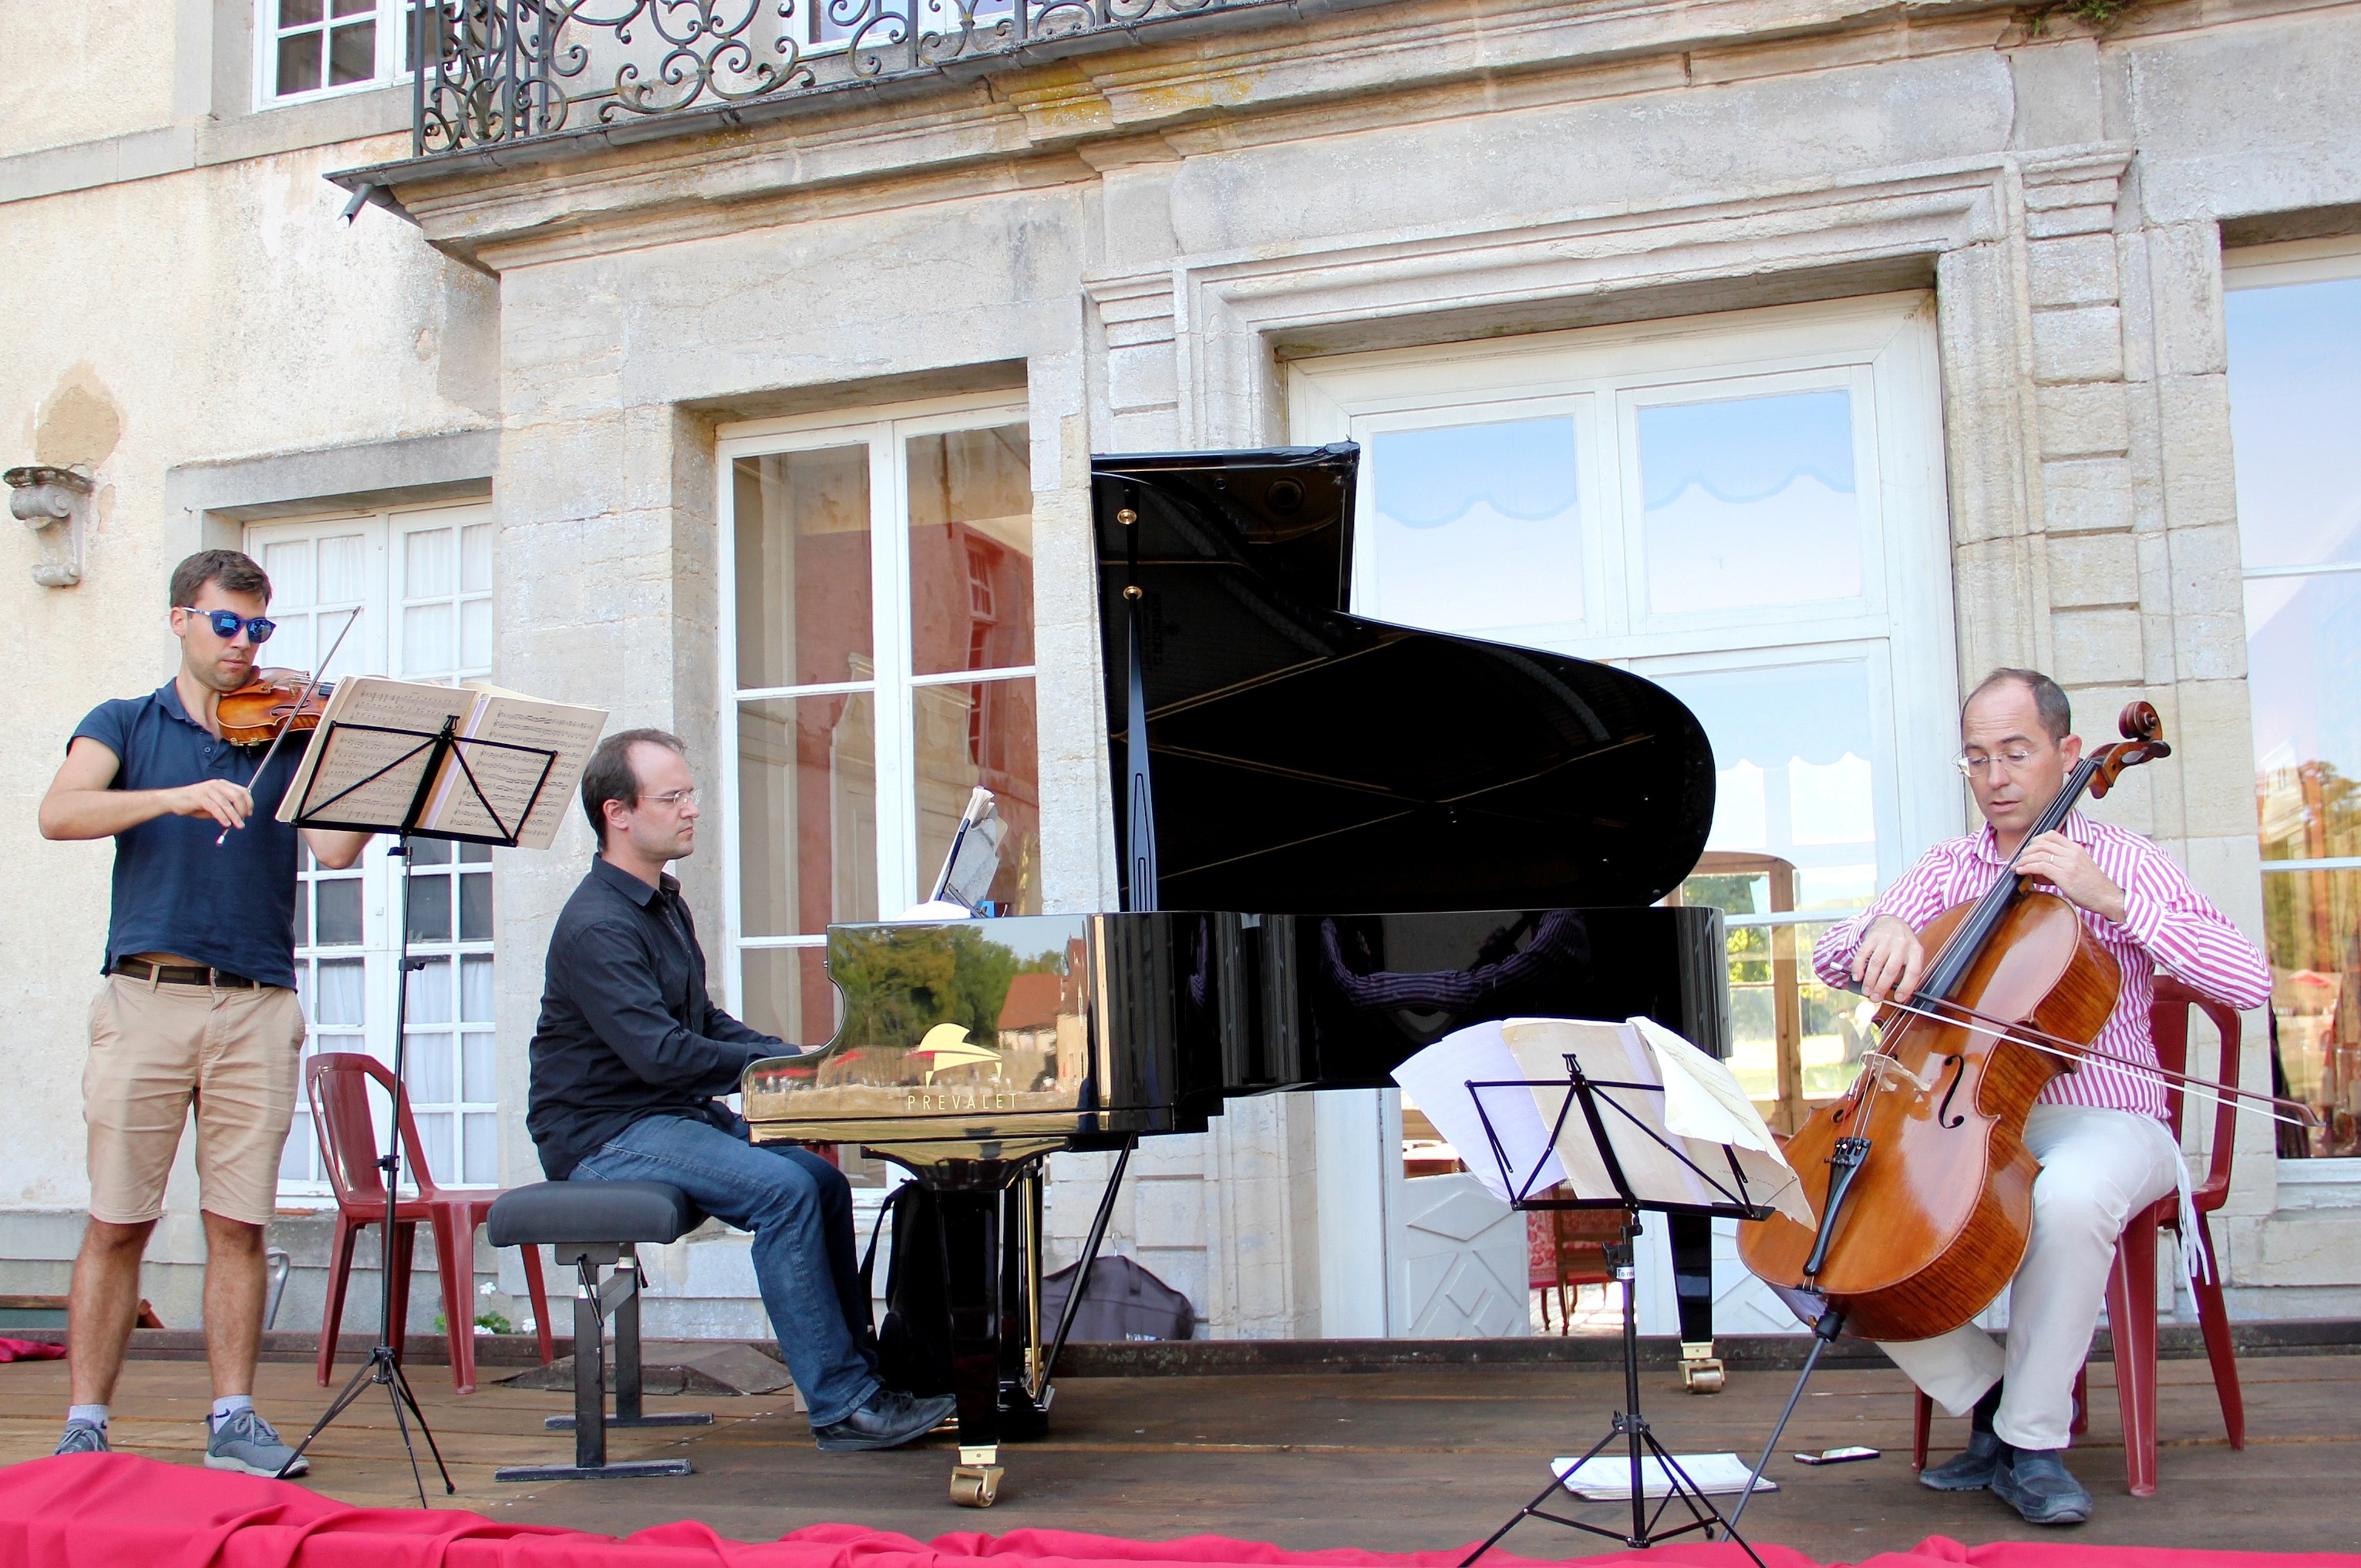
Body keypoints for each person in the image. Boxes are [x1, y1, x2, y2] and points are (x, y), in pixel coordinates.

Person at [1815, 668, 2271, 1526]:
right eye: (1976, 759)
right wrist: (1875, 931)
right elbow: (1833, 958)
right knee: (1814, 1211)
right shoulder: (1949, 868)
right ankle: (1989, 1401)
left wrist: (2110, 900)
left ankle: (2030, 1443)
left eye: (2014, 754)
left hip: (2111, 1118)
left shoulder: (2126, 861)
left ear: (2067, 756)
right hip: (1969, 1114)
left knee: (2068, 1195)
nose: (1994, 778)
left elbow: (2246, 980)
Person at [526, 728, 955, 1451]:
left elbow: (703, 1022)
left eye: (690, 793)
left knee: (817, 1179)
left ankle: (865, 1377)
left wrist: (807, 1057)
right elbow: (660, 1054)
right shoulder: (596, 924)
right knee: (781, 1192)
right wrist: (783, 1074)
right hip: (600, 1136)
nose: (692, 809)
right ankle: (842, 1406)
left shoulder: (662, 902)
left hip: (663, 1117)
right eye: (673, 797)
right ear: (617, 813)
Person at [39, 550, 373, 1474]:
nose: (244, 646)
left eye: (258, 629)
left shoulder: (287, 733)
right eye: (226, 624)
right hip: (147, 997)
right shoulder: (122, 723)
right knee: (118, 1220)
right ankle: (85, 1422)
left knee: (239, 1221)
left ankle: (233, 1420)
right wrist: (178, 797)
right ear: (181, 618)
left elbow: (338, 851)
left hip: (257, 1005)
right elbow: (59, 813)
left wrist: (376, 773)